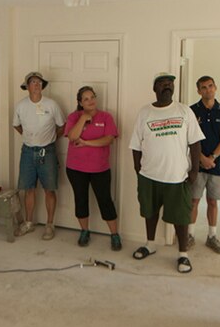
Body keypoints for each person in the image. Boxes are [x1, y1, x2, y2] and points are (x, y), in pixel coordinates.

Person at [129, 72, 203, 273]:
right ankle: (150, 244)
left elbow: (195, 143)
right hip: (149, 175)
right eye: (162, 84)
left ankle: (183, 254)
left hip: (177, 176)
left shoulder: (184, 111)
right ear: (154, 89)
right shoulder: (145, 112)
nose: (167, 86)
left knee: (181, 217)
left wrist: (195, 170)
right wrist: (138, 169)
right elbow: (136, 144)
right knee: (150, 212)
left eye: (170, 83)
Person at [64, 86, 122, 251]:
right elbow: (72, 136)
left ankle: (114, 234)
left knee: (105, 201)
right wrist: (84, 118)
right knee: (80, 200)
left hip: (100, 168)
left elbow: (108, 139)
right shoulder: (74, 117)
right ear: (80, 103)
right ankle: (84, 231)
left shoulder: (106, 117)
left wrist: (86, 142)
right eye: (86, 99)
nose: (91, 101)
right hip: (75, 168)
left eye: (92, 97)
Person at [13, 71, 65, 240]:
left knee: (49, 189)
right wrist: (29, 137)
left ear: (42, 86)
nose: (36, 84)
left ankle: (49, 225)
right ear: (27, 86)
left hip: (47, 152)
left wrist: (50, 139)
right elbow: (17, 125)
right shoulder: (21, 106)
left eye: (39, 82)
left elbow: (61, 126)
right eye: (33, 82)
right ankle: (28, 222)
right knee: (29, 189)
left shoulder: (52, 105)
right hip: (28, 152)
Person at [189, 76, 220, 254]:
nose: (208, 90)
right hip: (196, 164)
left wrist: (212, 157)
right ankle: (189, 235)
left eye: (210, 86)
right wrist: (201, 158)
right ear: (198, 91)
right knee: (193, 200)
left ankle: (212, 236)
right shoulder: (191, 111)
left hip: (216, 164)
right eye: (203, 88)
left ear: (216, 87)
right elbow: (188, 139)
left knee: (213, 201)